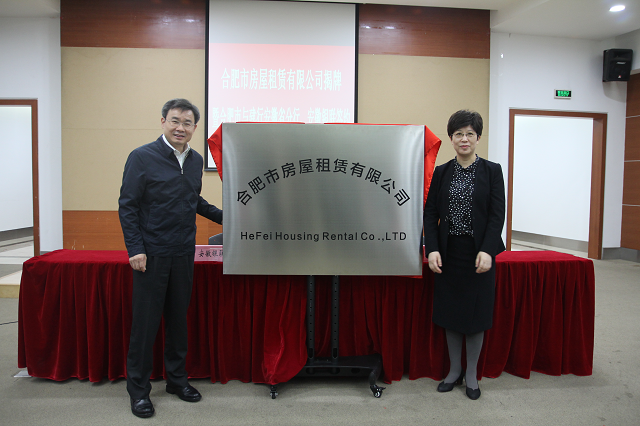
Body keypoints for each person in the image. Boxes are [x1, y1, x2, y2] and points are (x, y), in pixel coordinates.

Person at [119, 98, 223, 418]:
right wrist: (135, 249)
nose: (181, 127)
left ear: (195, 128)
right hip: (151, 254)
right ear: (163, 121)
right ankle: (139, 391)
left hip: (182, 253)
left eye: (187, 123)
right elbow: (128, 205)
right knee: (145, 326)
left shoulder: (195, 160)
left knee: (178, 323)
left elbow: (193, 200)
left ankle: (177, 381)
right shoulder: (142, 156)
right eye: (175, 120)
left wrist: (229, 217)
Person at [423, 110, 505, 400]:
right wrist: (432, 248)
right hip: (449, 253)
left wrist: (488, 250)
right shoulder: (442, 172)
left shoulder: (492, 171)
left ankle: (471, 374)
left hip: (478, 253)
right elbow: (430, 213)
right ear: (451, 138)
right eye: (459, 134)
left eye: (470, 133)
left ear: (478, 138)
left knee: (476, 315)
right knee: (451, 313)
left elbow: (496, 215)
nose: (464, 139)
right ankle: (454, 371)